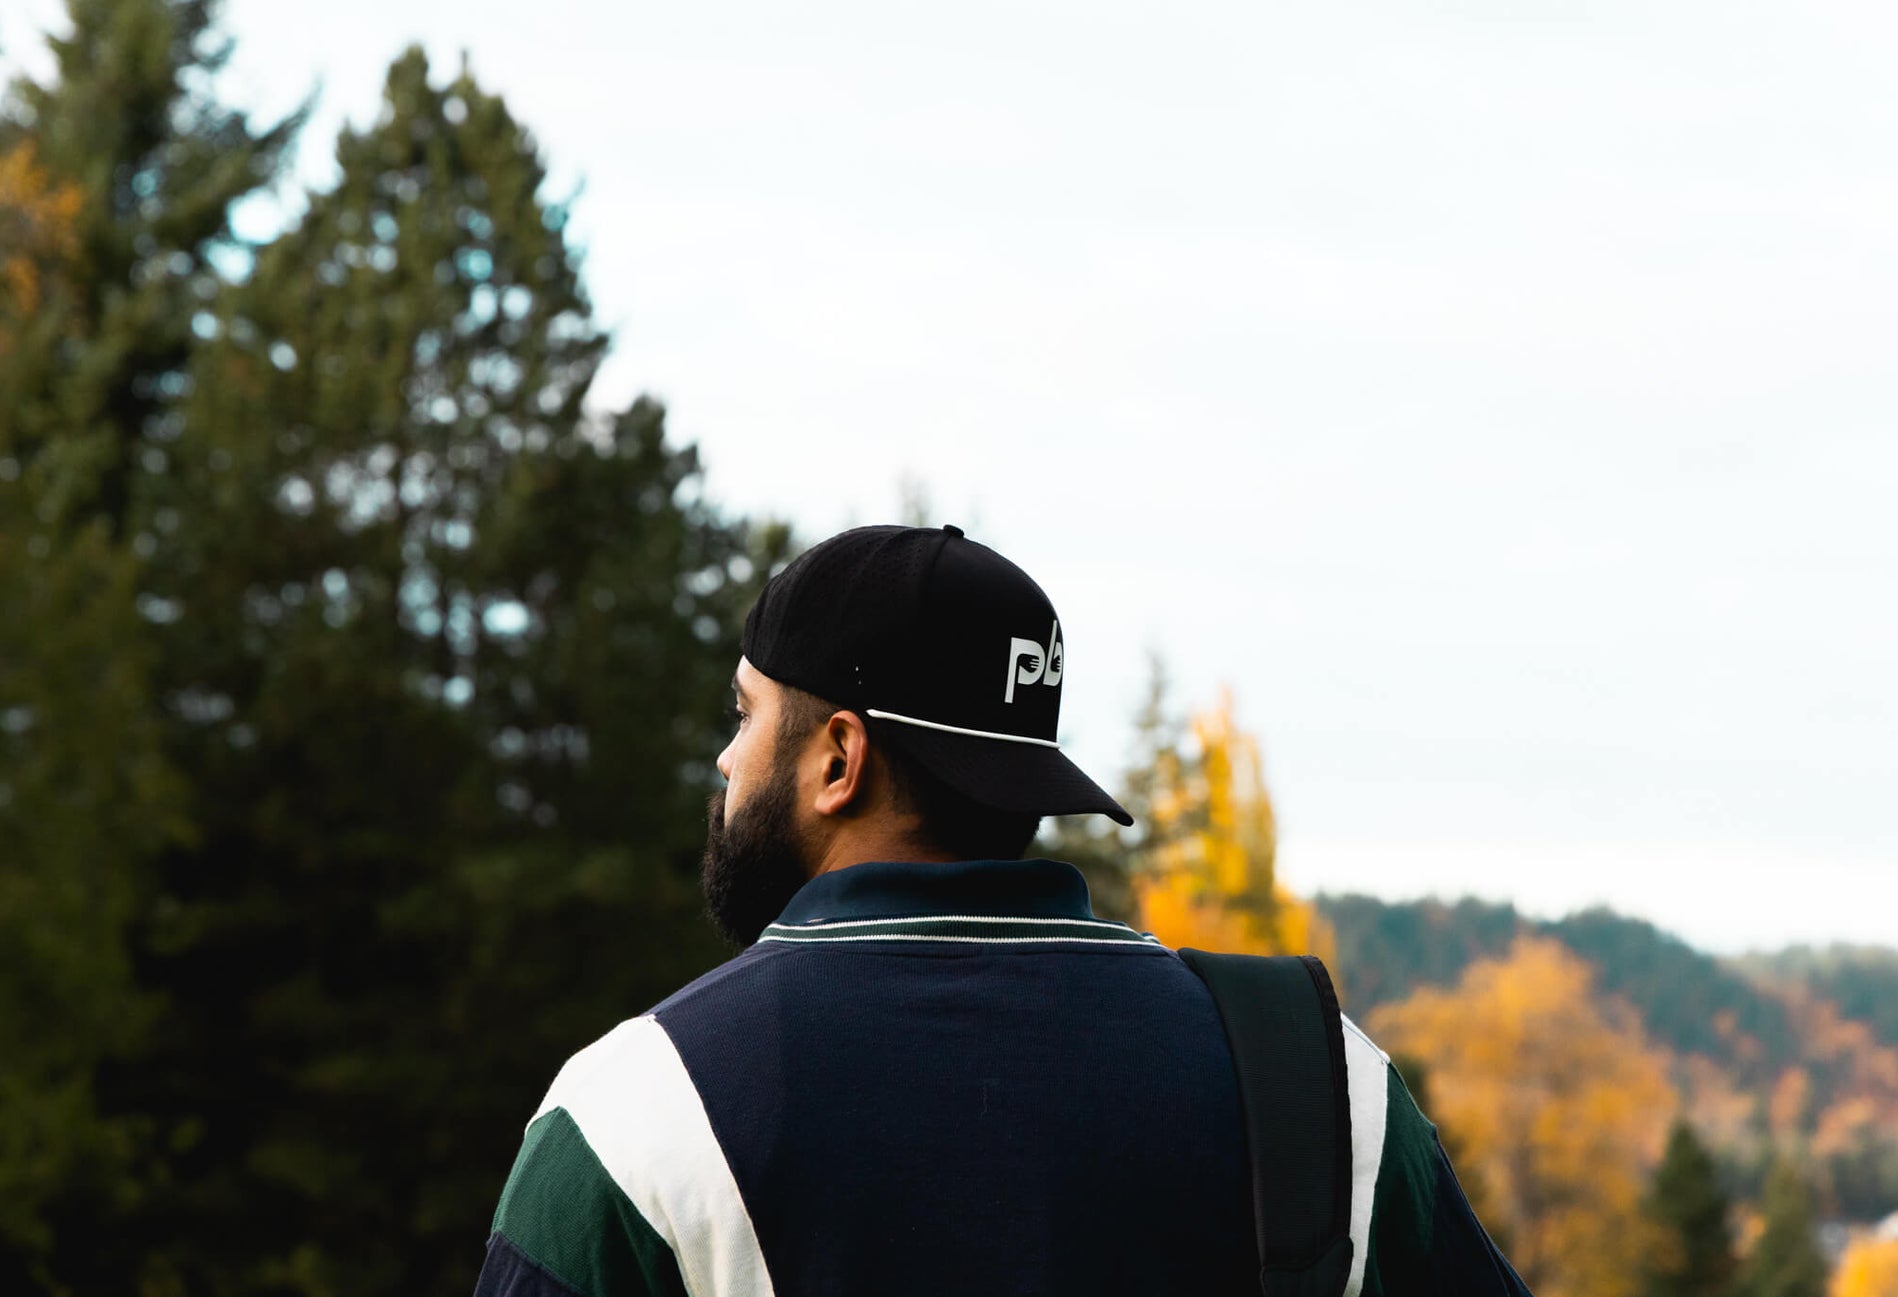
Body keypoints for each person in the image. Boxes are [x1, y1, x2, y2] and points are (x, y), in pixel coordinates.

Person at [473, 523, 1530, 1297]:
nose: (723, 756)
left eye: (743, 714)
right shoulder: (1325, 1086)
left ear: (837, 756)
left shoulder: (634, 1111)